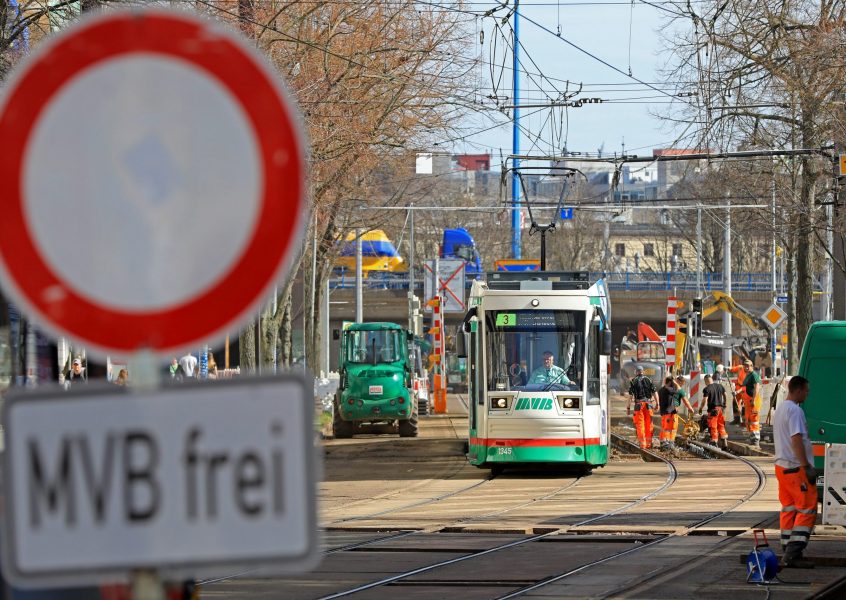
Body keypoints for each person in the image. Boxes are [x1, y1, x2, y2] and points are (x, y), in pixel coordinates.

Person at [773, 375, 816, 569]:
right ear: (797, 390)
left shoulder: (781, 408)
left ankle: (787, 550)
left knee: (789, 509)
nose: (807, 394)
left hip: (781, 467)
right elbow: (796, 439)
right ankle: (793, 553)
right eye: (806, 390)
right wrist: (806, 465)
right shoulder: (795, 411)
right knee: (807, 508)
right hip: (795, 468)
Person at [627, 365, 658, 449]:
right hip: (649, 405)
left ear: (636, 372)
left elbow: (630, 396)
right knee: (649, 424)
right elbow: (655, 392)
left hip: (638, 405)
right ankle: (648, 443)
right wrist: (657, 404)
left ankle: (643, 444)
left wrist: (628, 407)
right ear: (642, 371)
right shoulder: (649, 380)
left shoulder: (633, 381)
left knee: (640, 425)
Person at [700, 373, 729, 449]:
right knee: (721, 425)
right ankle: (724, 440)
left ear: (706, 381)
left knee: (713, 426)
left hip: (713, 410)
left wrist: (700, 408)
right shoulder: (720, 386)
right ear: (712, 379)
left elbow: (704, 400)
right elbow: (725, 395)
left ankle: (714, 441)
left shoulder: (707, 389)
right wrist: (724, 404)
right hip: (721, 409)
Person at [739, 359, 763, 447]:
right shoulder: (747, 375)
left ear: (752, 366)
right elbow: (744, 388)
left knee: (754, 421)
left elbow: (757, 387)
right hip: (748, 402)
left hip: (753, 401)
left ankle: (756, 440)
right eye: (745, 365)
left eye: (748, 365)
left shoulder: (754, 375)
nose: (746, 367)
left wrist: (753, 399)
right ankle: (752, 439)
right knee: (748, 420)